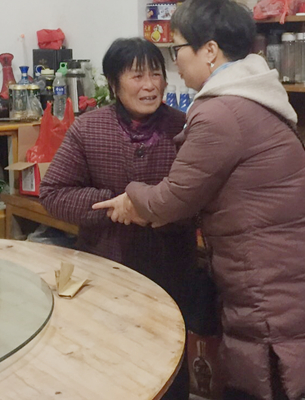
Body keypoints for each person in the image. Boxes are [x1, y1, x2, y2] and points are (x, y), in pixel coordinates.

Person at [94, 0, 305, 400]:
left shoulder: (219, 112)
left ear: (209, 51)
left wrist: (131, 196)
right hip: (293, 279)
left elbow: (171, 200)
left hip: (270, 292)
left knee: (265, 386)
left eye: (177, 49)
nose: (175, 63)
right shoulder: (257, 93)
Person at [39, 37, 196, 400]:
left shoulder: (185, 128)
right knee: (107, 366)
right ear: (113, 83)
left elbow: (200, 200)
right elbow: (54, 193)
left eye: (156, 75)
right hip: (105, 270)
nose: (150, 85)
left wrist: (150, 210)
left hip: (171, 271)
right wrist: (116, 206)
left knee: (169, 367)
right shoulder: (88, 128)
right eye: (137, 76)